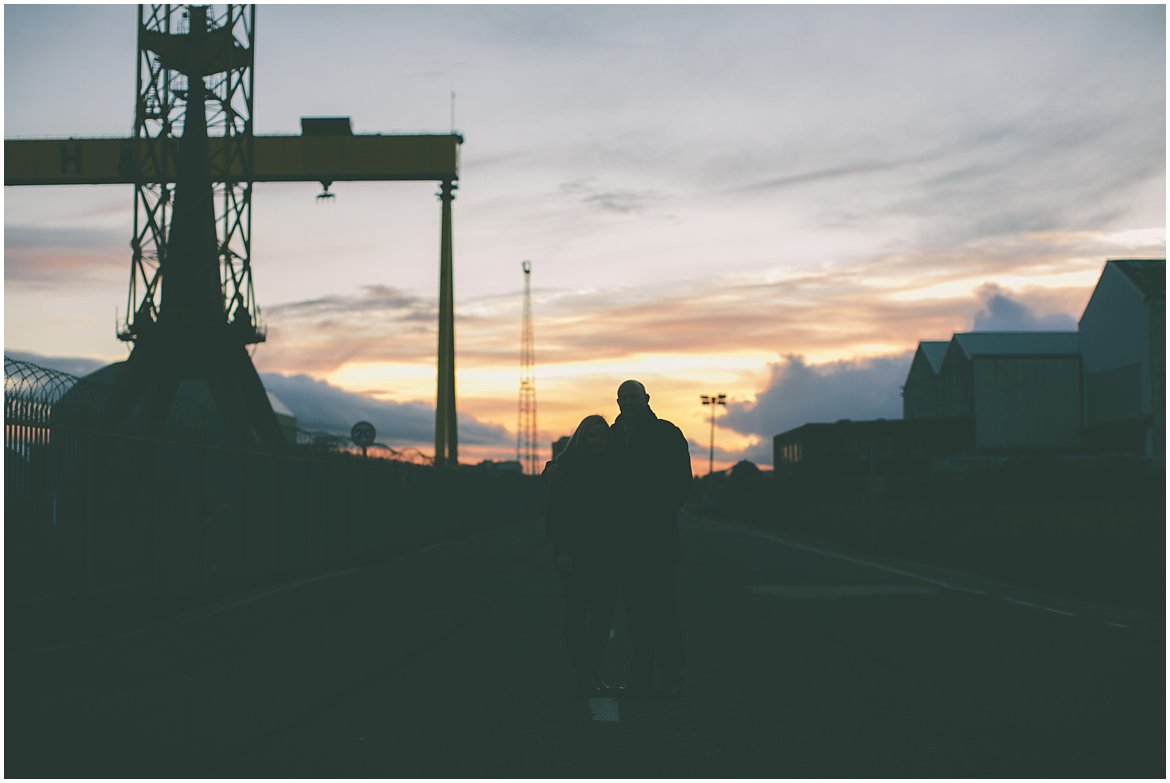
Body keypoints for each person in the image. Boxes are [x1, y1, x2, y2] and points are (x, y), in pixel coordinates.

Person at [608, 379, 693, 696]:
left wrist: (653, 513)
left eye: (634, 397)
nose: (628, 402)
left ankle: (672, 678)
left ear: (646, 399)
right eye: (623, 397)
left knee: (664, 611)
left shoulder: (667, 433)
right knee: (635, 615)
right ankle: (641, 678)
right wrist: (554, 468)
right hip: (624, 544)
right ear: (617, 401)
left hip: (657, 542)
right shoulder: (611, 437)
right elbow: (583, 462)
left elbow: (682, 483)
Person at [544, 414, 622, 696]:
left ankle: (590, 672)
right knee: (575, 618)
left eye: (601, 436)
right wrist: (562, 549)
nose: (597, 441)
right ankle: (583, 673)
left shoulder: (615, 467)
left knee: (602, 619)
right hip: (574, 553)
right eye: (591, 436)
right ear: (582, 438)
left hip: (608, 555)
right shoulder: (565, 468)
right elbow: (554, 514)